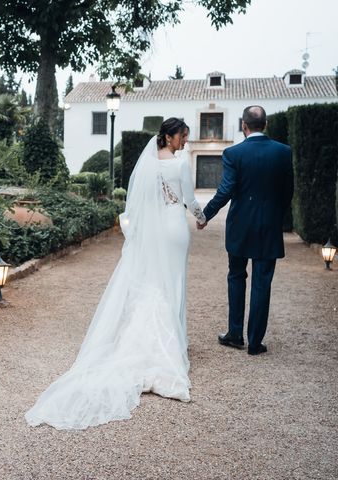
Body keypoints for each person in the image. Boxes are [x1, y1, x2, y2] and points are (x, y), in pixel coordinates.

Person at [25, 118, 206, 430]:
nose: (186, 141)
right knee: (173, 284)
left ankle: (154, 339)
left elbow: (135, 205)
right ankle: (172, 343)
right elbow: (190, 201)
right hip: (175, 228)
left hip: (154, 231)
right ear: (169, 137)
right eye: (183, 136)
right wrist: (202, 218)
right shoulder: (180, 165)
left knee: (154, 282)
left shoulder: (147, 165)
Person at [199, 105, 294, 356]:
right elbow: (288, 192)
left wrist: (206, 214)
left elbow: (226, 190)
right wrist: (275, 215)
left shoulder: (233, 153)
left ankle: (234, 333)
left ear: (244, 125)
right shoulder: (283, 152)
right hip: (269, 228)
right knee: (263, 283)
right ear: (266, 124)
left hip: (240, 226)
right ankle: (254, 342)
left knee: (236, 276)